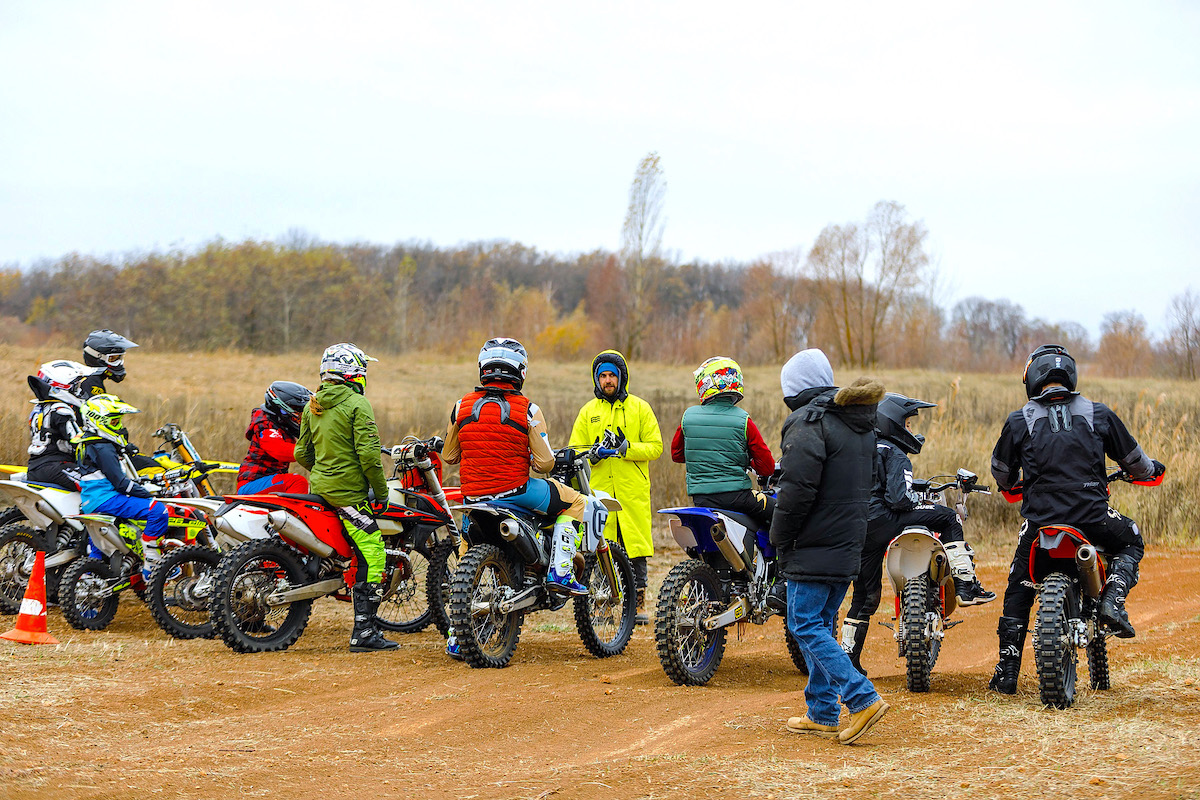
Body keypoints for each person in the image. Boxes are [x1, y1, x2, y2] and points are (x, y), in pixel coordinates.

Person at [987, 344, 1164, 694]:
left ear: (1032, 378)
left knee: (1019, 583)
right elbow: (1136, 463)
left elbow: (1002, 474)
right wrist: (1151, 470)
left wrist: (1016, 484)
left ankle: (1008, 670)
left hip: (1040, 521)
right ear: (1070, 375)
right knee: (1130, 538)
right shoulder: (1099, 414)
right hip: (1093, 516)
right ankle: (1113, 600)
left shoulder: (1018, 419)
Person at [770, 348, 889, 745]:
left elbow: (795, 492)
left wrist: (779, 538)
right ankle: (822, 712)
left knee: (802, 622)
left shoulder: (808, 423)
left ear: (795, 390)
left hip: (814, 544)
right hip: (847, 541)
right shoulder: (858, 424)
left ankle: (861, 698)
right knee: (819, 622)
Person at [841, 392, 995, 675]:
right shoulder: (896, 453)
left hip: (856, 526)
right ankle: (965, 585)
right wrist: (919, 501)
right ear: (895, 423)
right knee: (948, 519)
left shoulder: (860, 448)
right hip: (885, 519)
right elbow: (898, 498)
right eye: (909, 424)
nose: (911, 430)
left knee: (864, 597)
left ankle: (847, 662)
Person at [443, 337, 595, 598]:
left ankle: (456, 637)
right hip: (514, 491)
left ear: (483, 369)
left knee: (465, 567)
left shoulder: (460, 407)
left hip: (473, 496)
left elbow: (449, 455)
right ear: (520, 371)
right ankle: (560, 572)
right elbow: (545, 463)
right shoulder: (528, 410)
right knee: (576, 502)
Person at [293, 343, 398, 653]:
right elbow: (368, 455)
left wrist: (324, 471)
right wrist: (380, 492)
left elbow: (302, 453)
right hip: (347, 493)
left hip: (319, 488)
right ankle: (364, 631)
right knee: (374, 552)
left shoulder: (312, 404)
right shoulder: (357, 404)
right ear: (355, 374)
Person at [670, 356, 781, 608]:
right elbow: (766, 466)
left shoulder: (688, 417)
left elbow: (677, 455)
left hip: (701, 500)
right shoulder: (743, 420)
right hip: (738, 497)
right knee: (782, 513)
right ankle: (781, 581)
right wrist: (746, 461)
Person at [569, 350, 663, 625]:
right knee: (599, 548)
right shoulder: (588, 412)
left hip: (632, 491)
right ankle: (603, 606)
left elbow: (656, 446)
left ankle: (639, 604)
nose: (607, 381)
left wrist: (627, 448)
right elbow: (576, 449)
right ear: (596, 379)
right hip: (599, 492)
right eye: (603, 376)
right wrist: (592, 455)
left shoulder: (640, 408)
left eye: (612, 375)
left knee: (636, 550)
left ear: (622, 378)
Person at [72, 394, 169, 580]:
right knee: (158, 510)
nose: (119, 426)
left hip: (91, 501)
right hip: (106, 499)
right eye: (115, 421)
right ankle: (151, 566)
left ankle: (89, 582)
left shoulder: (86, 443)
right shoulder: (103, 447)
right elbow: (120, 483)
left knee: (97, 552)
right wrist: (146, 493)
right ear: (98, 421)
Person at [237, 380, 313, 494]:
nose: (300, 417)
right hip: (251, 485)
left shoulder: (281, 426)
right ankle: (294, 512)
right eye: (298, 411)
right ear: (282, 408)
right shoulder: (265, 427)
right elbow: (280, 450)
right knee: (297, 482)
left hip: (267, 482)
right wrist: (313, 451)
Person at [25, 360, 89, 491]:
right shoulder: (61, 411)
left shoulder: (39, 408)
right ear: (61, 387)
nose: (79, 390)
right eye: (76, 386)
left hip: (36, 466)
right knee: (97, 485)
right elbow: (79, 442)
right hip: (56, 466)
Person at [78, 329, 139, 398]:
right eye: (112, 358)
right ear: (97, 357)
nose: (118, 363)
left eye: (119, 358)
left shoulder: (85, 378)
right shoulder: (91, 382)